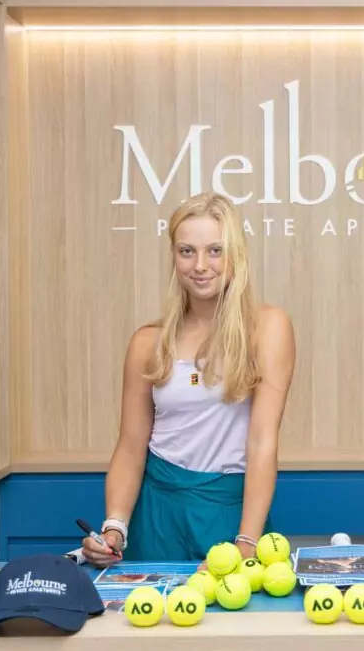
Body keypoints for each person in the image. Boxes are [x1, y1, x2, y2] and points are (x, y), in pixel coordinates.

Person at [81, 192, 296, 566]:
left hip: (229, 509)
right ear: (174, 257)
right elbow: (132, 446)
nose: (200, 265)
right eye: (186, 251)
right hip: (157, 512)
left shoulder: (268, 327)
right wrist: (114, 527)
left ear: (236, 256)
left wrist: (247, 541)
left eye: (215, 250)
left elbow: (262, 441)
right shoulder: (147, 341)